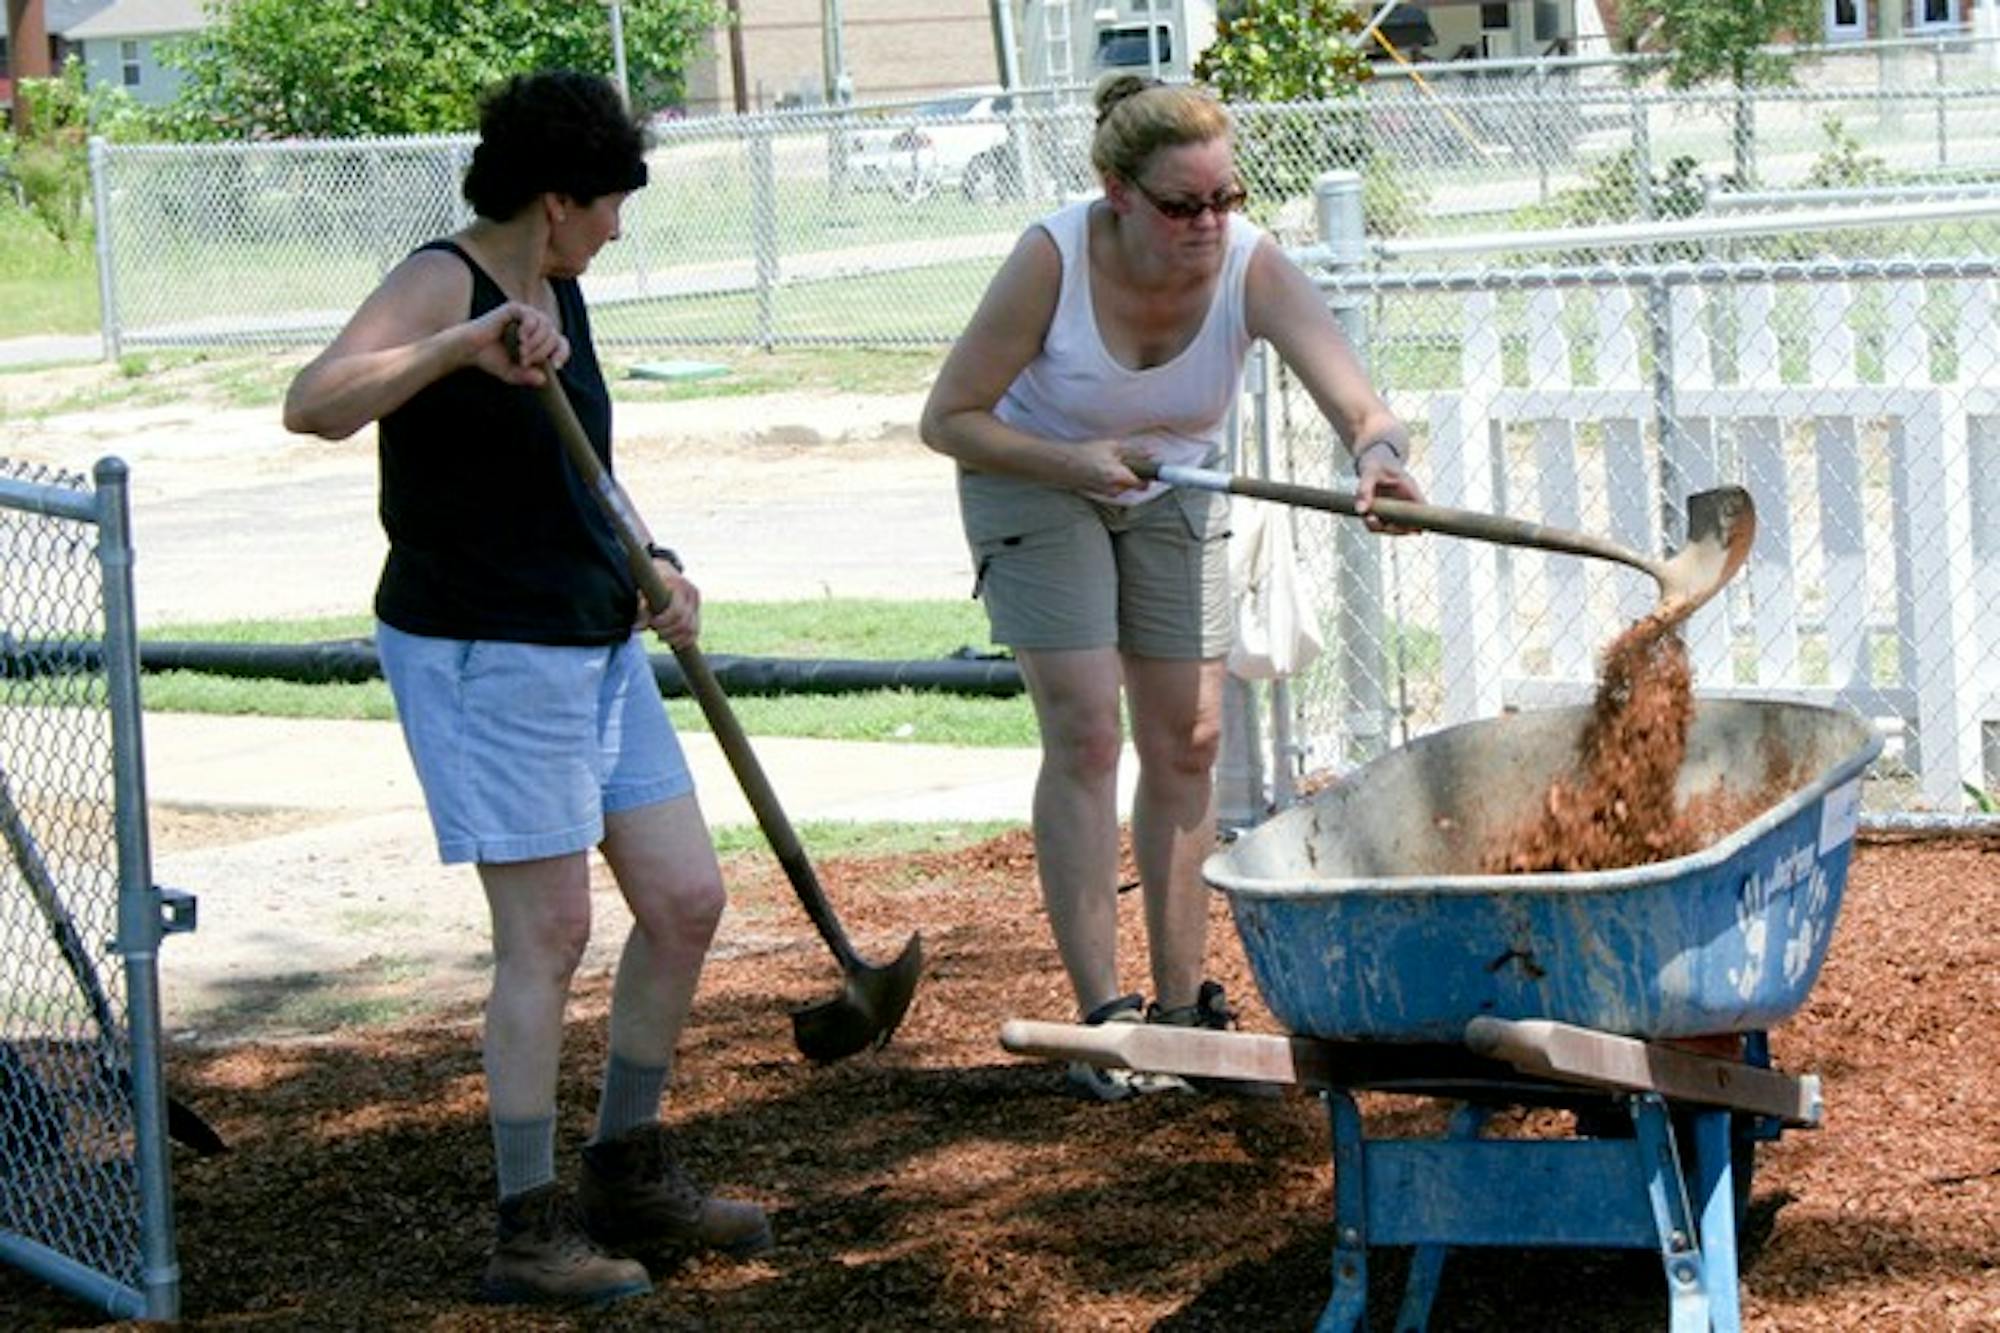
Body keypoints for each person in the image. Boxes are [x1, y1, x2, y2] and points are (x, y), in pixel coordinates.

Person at [283, 70, 769, 1305]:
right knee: (547, 936)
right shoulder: (446, 276)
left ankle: (628, 1167)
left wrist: (651, 557)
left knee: (685, 899)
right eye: (609, 204)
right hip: (482, 646)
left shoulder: (562, 289)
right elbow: (313, 404)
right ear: (553, 200)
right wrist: (460, 344)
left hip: (590, 634)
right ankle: (527, 1227)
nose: (618, 227)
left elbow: (582, 468)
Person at [919, 76, 1425, 1102]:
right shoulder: (1050, 261)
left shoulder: (1249, 265)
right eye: (1180, 205)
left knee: (1189, 737)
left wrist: (1378, 457)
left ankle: (1185, 1007)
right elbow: (949, 417)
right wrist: (1075, 462)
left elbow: (1359, 403)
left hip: (1172, 484)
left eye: (1222, 201)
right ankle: (1104, 1018)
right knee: (1084, 732)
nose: (1207, 224)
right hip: (1037, 475)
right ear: (1116, 191)